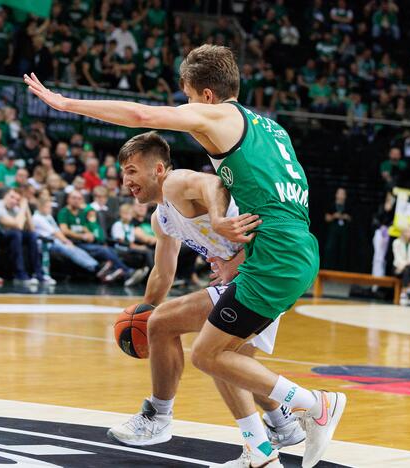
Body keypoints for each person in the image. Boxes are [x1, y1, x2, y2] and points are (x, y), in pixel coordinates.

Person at [25, 43, 344, 468]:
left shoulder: (216, 117)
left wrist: (65, 103)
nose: (186, 108)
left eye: (189, 98)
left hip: (274, 255)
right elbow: (256, 187)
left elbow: (141, 116)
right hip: (288, 247)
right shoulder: (270, 129)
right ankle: (264, 444)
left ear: (206, 96)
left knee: (208, 354)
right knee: (215, 351)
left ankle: (312, 406)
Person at [107, 132, 303, 452]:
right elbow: (162, 272)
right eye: (123, 172)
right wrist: (143, 314)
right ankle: (283, 426)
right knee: (228, 362)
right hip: (259, 278)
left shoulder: (175, 182)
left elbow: (214, 184)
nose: (126, 180)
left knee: (169, 326)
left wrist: (222, 233)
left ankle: (158, 416)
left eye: (131, 170)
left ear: (158, 169)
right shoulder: (163, 219)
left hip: (264, 269)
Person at [32, 196, 101, 278]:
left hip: (55, 241)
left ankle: (97, 266)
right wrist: (66, 241)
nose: (50, 209)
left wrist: (65, 241)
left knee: (76, 249)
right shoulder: (37, 218)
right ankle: (95, 268)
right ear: (41, 207)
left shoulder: (48, 216)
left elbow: (56, 229)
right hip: (44, 243)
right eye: (48, 207)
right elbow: (54, 232)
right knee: (69, 249)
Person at [0, 188, 46, 286]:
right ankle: (19, 273)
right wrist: (22, 208)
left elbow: (32, 229)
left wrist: (26, 208)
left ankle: (38, 273)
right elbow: (18, 226)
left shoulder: (16, 208)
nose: (13, 201)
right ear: (5, 196)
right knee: (16, 233)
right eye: (11, 197)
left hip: (12, 236)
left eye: (17, 200)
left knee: (32, 236)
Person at [392, 225, 410, 305]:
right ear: (403, 232)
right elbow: (397, 258)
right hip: (398, 266)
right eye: (408, 231)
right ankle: (408, 291)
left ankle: (404, 293)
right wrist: (403, 265)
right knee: (407, 270)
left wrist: (405, 264)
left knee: (408, 269)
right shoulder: (396, 242)